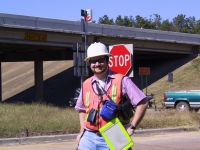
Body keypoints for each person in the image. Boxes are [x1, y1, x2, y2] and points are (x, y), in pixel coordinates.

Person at [75, 42, 148, 150]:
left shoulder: (122, 80)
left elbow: (143, 102)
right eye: (93, 61)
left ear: (107, 60)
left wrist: (132, 126)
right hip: (89, 135)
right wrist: (82, 131)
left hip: (114, 132)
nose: (97, 64)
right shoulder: (86, 84)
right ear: (89, 63)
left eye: (100, 60)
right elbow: (81, 109)